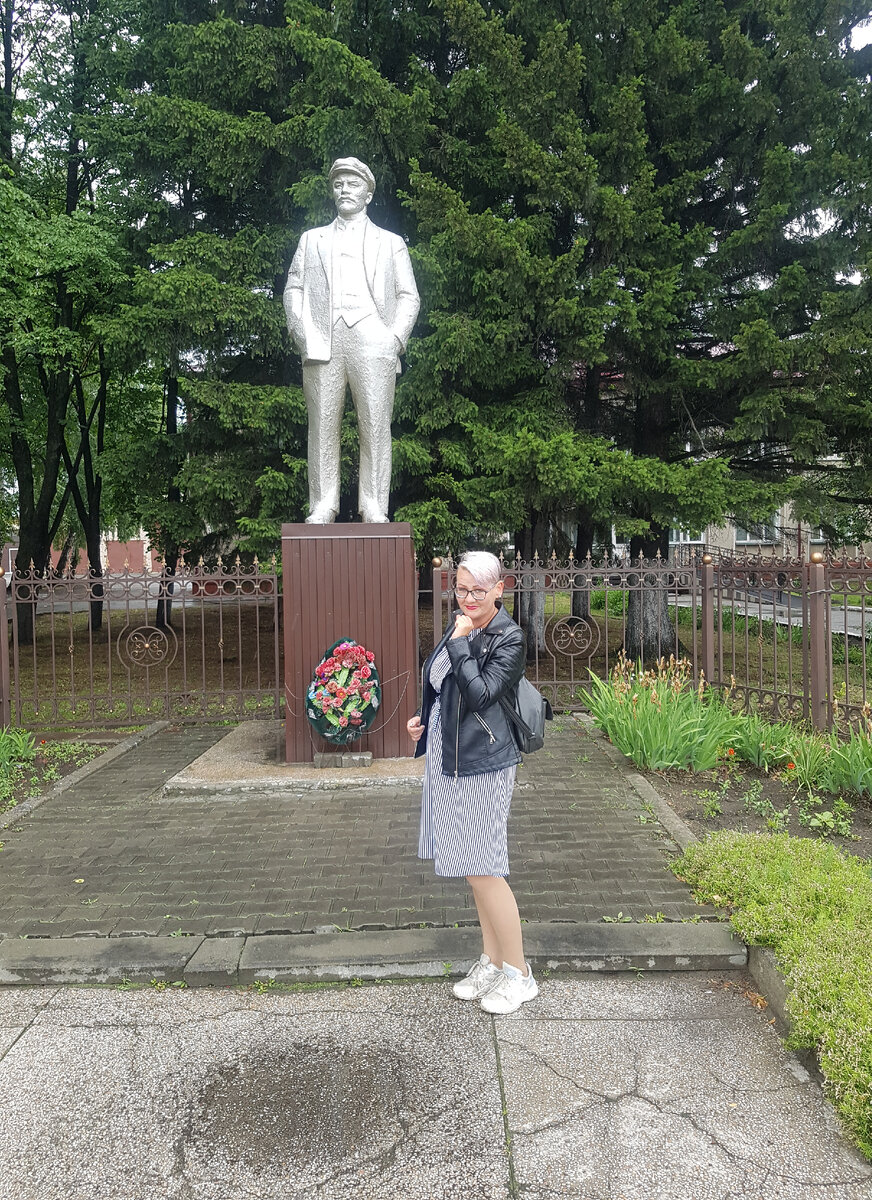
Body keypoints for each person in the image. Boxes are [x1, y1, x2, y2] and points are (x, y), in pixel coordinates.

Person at [406, 550, 539, 1015]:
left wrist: (462, 642)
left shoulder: (508, 637)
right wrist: (424, 720)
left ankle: (520, 975)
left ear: (500, 589)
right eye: (461, 590)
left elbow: (481, 694)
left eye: (477, 592)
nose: (467, 599)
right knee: (471, 865)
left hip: (484, 762)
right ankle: (492, 960)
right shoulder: (462, 623)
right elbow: (441, 683)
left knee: (485, 866)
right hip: (450, 756)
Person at [283, 157, 420, 524]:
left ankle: (373, 504)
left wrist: (393, 340)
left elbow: (409, 296)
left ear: (368, 193)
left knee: (375, 424)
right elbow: (293, 289)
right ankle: (323, 504)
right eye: (338, 184)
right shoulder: (311, 240)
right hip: (322, 343)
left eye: (352, 183)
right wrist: (303, 334)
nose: (344, 190)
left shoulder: (391, 244)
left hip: (373, 339)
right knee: (322, 425)